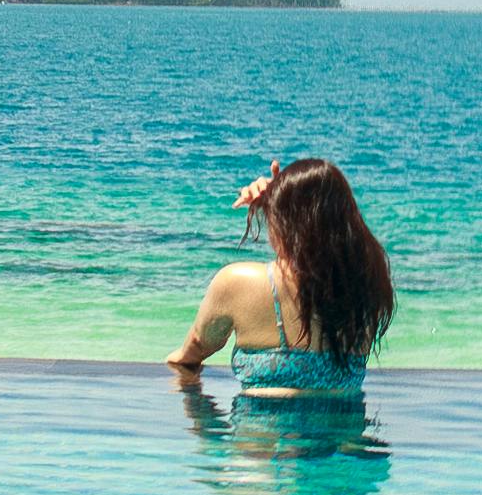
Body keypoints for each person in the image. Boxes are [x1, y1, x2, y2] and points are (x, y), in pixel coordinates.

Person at [167, 155, 394, 399]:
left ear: (279, 217)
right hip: (347, 437)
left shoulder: (237, 282)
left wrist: (277, 197)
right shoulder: (369, 284)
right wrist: (283, 195)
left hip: (262, 437)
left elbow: (189, 356)